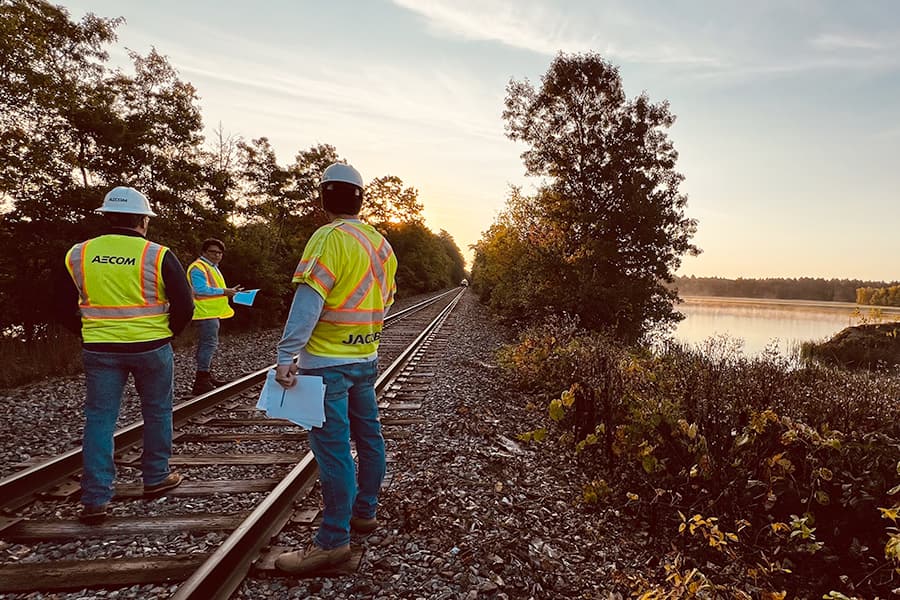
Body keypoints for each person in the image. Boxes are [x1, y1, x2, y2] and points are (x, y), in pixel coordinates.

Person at [273, 163, 397, 575]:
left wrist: (287, 355)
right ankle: (365, 512)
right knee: (370, 437)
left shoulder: (328, 238)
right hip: (365, 360)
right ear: (361, 198)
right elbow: (387, 300)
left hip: (325, 363)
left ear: (324, 196)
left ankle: (331, 541)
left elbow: (308, 303)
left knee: (333, 450)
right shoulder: (381, 244)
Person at [55, 186, 193, 523]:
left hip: (100, 348)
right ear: (143, 220)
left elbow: (59, 304)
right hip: (152, 347)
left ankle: (95, 497)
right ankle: (156, 477)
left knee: (100, 419)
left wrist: (91, 332)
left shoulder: (78, 254)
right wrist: (165, 333)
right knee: (158, 412)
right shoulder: (157, 254)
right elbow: (185, 304)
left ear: (107, 217)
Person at [186, 238, 241, 394]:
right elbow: (199, 289)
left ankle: (206, 376)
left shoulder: (212, 267)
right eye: (213, 252)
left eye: (219, 253)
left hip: (211, 313)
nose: (217, 255)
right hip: (204, 313)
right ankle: (201, 380)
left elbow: (213, 288)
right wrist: (225, 291)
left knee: (210, 345)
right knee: (208, 345)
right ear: (204, 252)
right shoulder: (199, 267)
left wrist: (229, 291)